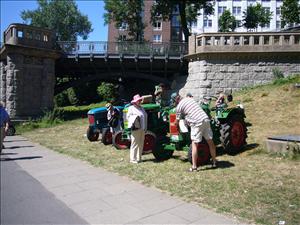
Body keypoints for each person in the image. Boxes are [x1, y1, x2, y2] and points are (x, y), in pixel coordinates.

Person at [173, 94, 217, 171]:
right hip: (205, 119)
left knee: (194, 144)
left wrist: (174, 123)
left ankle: (194, 167)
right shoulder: (190, 99)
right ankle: (214, 162)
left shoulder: (179, 106)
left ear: (176, 101)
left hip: (197, 122)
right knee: (210, 141)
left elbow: (177, 121)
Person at [127, 94, 147, 163]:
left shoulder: (142, 108)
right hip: (136, 129)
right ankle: (132, 159)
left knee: (141, 144)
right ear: (135, 101)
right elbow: (128, 117)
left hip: (142, 129)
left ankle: (139, 158)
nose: (140, 101)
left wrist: (145, 128)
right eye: (138, 100)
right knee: (134, 143)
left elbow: (145, 117)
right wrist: (135, 117)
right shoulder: (131, 108)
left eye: (140, 100)